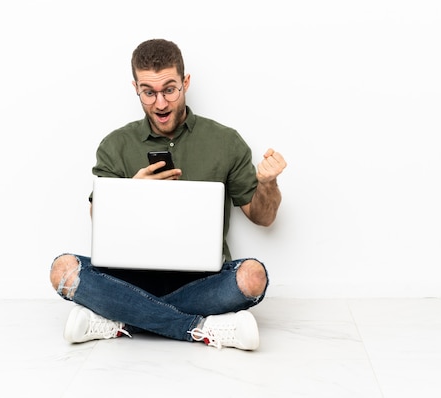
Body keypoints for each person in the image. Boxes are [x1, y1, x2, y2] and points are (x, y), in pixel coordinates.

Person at [49, 38, 286, 351]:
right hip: (129, 279)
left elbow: (263, 218)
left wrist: (268, 183)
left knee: (253, 277)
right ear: (135, 88)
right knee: (62, 270)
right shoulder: (115, 145)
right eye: (149, 92)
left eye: (170, 89)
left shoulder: (225, 141)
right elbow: (98, 220)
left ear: (185, 82)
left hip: (202, 281)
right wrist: (132, 193)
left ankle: (119, 318)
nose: (160, 103)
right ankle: (200, 327)